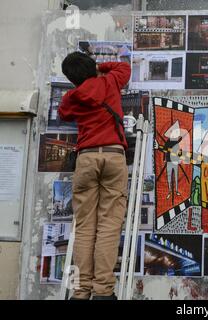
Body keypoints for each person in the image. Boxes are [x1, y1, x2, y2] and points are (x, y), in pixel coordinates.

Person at [58, 52, 131, 300]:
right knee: (109, 226)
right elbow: (123, 67)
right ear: (92, 66)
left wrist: (81, 81)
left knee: (85, 227)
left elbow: (63, 114)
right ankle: (102, 291)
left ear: (71, 78)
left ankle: (81, 292)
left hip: (86, 158)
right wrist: (99, 67)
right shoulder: (109, 81)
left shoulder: (72, 96)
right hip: (113, 155)